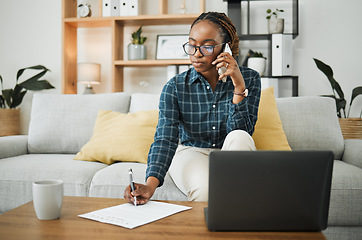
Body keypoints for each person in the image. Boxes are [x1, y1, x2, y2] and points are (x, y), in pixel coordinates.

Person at [124, 12, 261, 204]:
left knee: (240, 136)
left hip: (230, 151)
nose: (196, 54)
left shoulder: (251, 79)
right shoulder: (175, 87)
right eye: (192, 45)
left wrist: (239, 87)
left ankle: (235, 222)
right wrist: (150, 184)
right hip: (190, 151)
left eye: (206, 46)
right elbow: (165, 139)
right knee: (205, 189)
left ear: (226, 48)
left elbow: (243, 132)